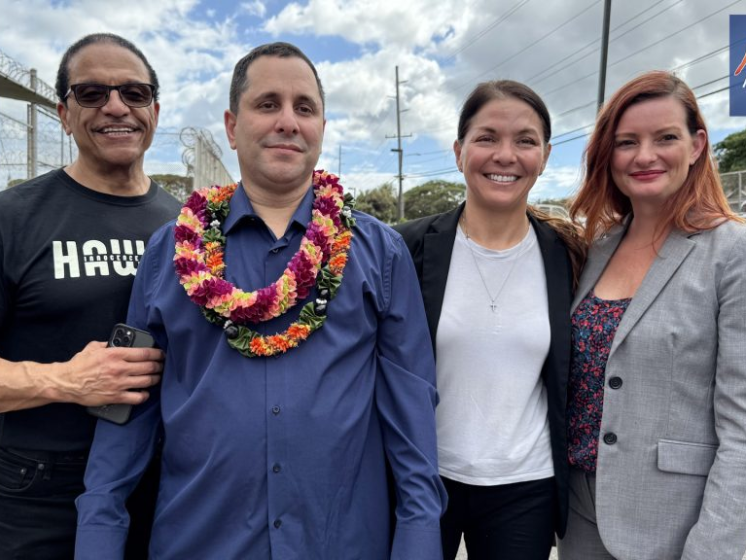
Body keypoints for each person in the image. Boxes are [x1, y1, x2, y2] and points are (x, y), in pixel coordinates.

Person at [74, 41, 446, 560]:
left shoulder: (379, 253)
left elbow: (412, 414)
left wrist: (419, 540)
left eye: (304, 108)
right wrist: (98, 535)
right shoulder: (171, 251)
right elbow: (127, 404)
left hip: (340, 542)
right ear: (232, 126)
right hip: (200, 542)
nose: (287, 122)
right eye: (268, 104)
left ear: (321, 128)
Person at [0, 33, 180, 559]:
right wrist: (66, 381)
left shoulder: (190, 227)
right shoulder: (7, 220)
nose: (116, 107)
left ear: (155, 111)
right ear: (64, 114)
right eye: (92, 93)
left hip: (162, 481)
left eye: (135, 93)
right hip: (40, 490)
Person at [558, 71, 746, 560]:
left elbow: (742, 429)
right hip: (578, 515)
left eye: (665, 138)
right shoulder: (596, 249)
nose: (644, 156)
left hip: (674, 522)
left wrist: (714, 548)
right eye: (627, 142)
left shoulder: (732, 252)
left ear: (697, 145)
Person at [396, 80, 584, 560]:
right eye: (487, 138)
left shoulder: (570, 255)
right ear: (459, 151)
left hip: (526, 488)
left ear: (545, 156)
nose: (505, 155)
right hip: (423, 477)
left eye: (525, 140)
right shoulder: (406, 247)